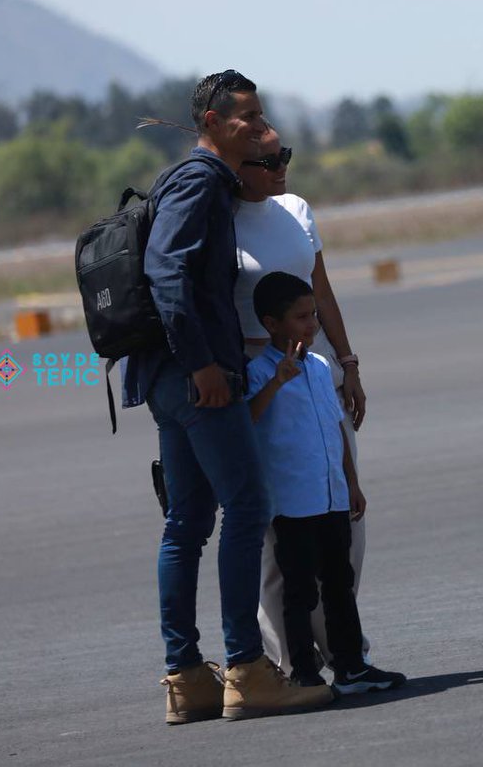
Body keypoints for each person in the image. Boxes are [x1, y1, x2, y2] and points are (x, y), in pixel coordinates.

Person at [123, 70, 334, 723]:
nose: (255, 125)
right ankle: (246, 667)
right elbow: (167, 271)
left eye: (259, 114)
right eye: (243, 116)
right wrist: (204, 366)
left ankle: (187, 678)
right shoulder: (200, 181)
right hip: (194, 377)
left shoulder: (202, 182)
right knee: (248, 505)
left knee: (187, 523)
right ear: (211, 124)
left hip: (166, 375)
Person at [232, 128, 372, 676]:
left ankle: (344, 647)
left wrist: (349, 363)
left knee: (344, 522)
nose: (281, 166)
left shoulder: (295, 210)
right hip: (261, 381)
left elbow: (324, 291)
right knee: (281, 539)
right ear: (235, 167)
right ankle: (292, 663)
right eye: (267, 160)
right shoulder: (216, 223)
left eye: (284, 155)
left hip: (316, 371)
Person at [245, 271, 405, 693]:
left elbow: (336, 429)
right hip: (292, 502)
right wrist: (277, 381)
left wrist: (352, 483)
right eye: (300, 317)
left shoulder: (318, 365)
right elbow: (248, 421)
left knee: (340, 583)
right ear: (271, 324)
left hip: (331, 494)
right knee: (298, 591)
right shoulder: (259, 372)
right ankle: (303, 674)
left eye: (313, 314)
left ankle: (351, 666)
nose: (312, 324)